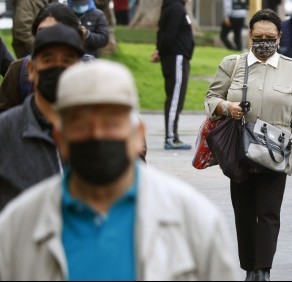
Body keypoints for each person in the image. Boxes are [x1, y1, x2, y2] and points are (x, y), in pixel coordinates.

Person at [0, 60, 239, 281]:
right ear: (59, 138)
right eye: (82, 124)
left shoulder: (195, 220)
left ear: (138, 135)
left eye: (112, 122)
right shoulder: (18, 225)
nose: (98, 134)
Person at [205, 9, 292, 281]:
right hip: (240, 150)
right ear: (249, 36)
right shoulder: (232, 64)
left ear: (280, 37)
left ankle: (263, 270)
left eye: (270, 37)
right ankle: (249, 269)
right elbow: (211, 99)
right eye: (258, 37)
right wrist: (226, 106)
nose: (264, 42)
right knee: (244, 213)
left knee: (269, 213)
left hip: (275, 152)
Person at [0, 23, 85, 212]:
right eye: (48, 60)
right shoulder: (6, 131)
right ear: (31, 69)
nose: (58, 67)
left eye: (67, 60)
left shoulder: (99, 130)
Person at [0, 2, 85, 114]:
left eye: (57, 31)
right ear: (30, 69)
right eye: (43, 32)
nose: (49, 38)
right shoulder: (18, 70)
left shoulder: (93, 73)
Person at [151, 0, 195, 150]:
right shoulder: (176, 8)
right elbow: (169, 34)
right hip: (176, 57)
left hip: (176, 57)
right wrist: (161, 51)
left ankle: (173, 136)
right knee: (175, 99)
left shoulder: (171, 7)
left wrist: (159, 50)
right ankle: (170, 137)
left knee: (176, 98)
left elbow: (161, 32)